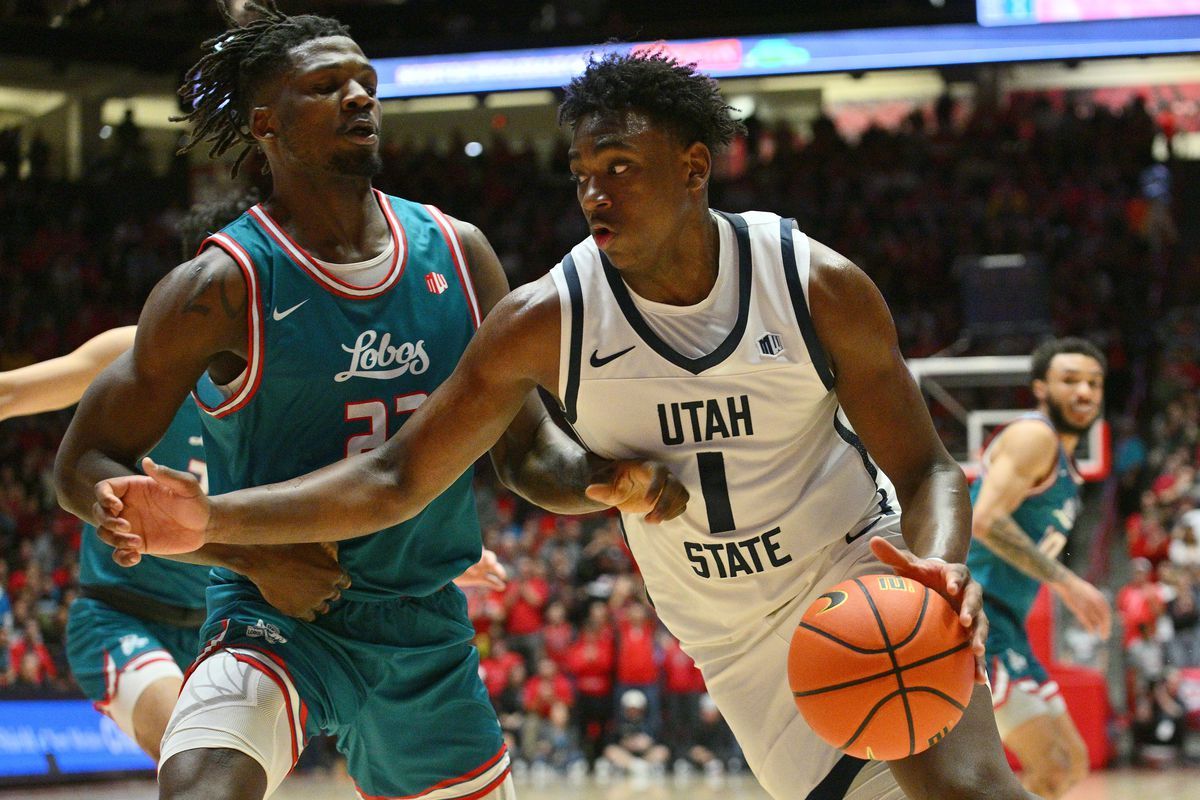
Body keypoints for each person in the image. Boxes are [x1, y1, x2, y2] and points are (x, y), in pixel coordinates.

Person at [93, 51, 1036, 799]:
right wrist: (217, 524)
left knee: (965, 786)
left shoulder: (813, 284)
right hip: (728, 636)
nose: (596, 194)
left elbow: (930, 470)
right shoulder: (548, 319)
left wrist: (941, 564)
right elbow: (396, 478)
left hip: (853, 567)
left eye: (621, 167)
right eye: (583, 172)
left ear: (694, 167)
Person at [56, 6, 680, 800]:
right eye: (325, 86)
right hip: (274, 615)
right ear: (266, 125)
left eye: (366, 83)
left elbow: (525, 452)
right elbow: (80, 466)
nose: (359, 97)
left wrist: (597, 478)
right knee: (201, 789)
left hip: (424, 628)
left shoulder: (460, 252)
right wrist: (243, 554)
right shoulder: (219, 286)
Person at [0, 193, 349, 761]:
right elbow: (13, 391)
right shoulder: (138, 355)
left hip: (224, 620)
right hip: (121, 614)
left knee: (232, 773)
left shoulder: (293, 382)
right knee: (192, 756)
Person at [966, 337, 1112, 799]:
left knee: (1070, 764)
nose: (1084, 391)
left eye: (1093, 382)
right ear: (1041, 388)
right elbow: (985, 521)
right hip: (977, 614)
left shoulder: (1066, 465)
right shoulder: (1035, 437)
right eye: (1070, 380)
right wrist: (1068, 582)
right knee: (1050, 767)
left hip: (1010, 621)